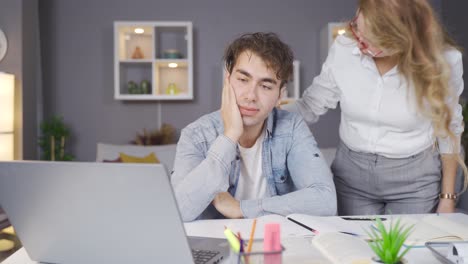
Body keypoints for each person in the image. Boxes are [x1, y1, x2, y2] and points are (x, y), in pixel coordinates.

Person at [283, 0, 468, 215]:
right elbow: (310, 105)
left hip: (415, 181)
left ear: (402, 40)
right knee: (354, 245)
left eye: (371, 42)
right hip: (352, 175)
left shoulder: (443, 62)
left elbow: (449, 131)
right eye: (357, 27)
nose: (358, 42)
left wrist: (448, 198)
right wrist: (265, 113)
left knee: (408, 247)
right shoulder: (345, 47)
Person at [171, 32, 337, 222]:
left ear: (280, 95)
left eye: (266, 86)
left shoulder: (291, 127)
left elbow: (325, 201)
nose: (251, 95)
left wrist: (241, 209)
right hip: (217, 245)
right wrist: (230, 135)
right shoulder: (196, 134)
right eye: (243, 80)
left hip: (277, 241)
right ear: (227, 80)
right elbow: (179, 211)